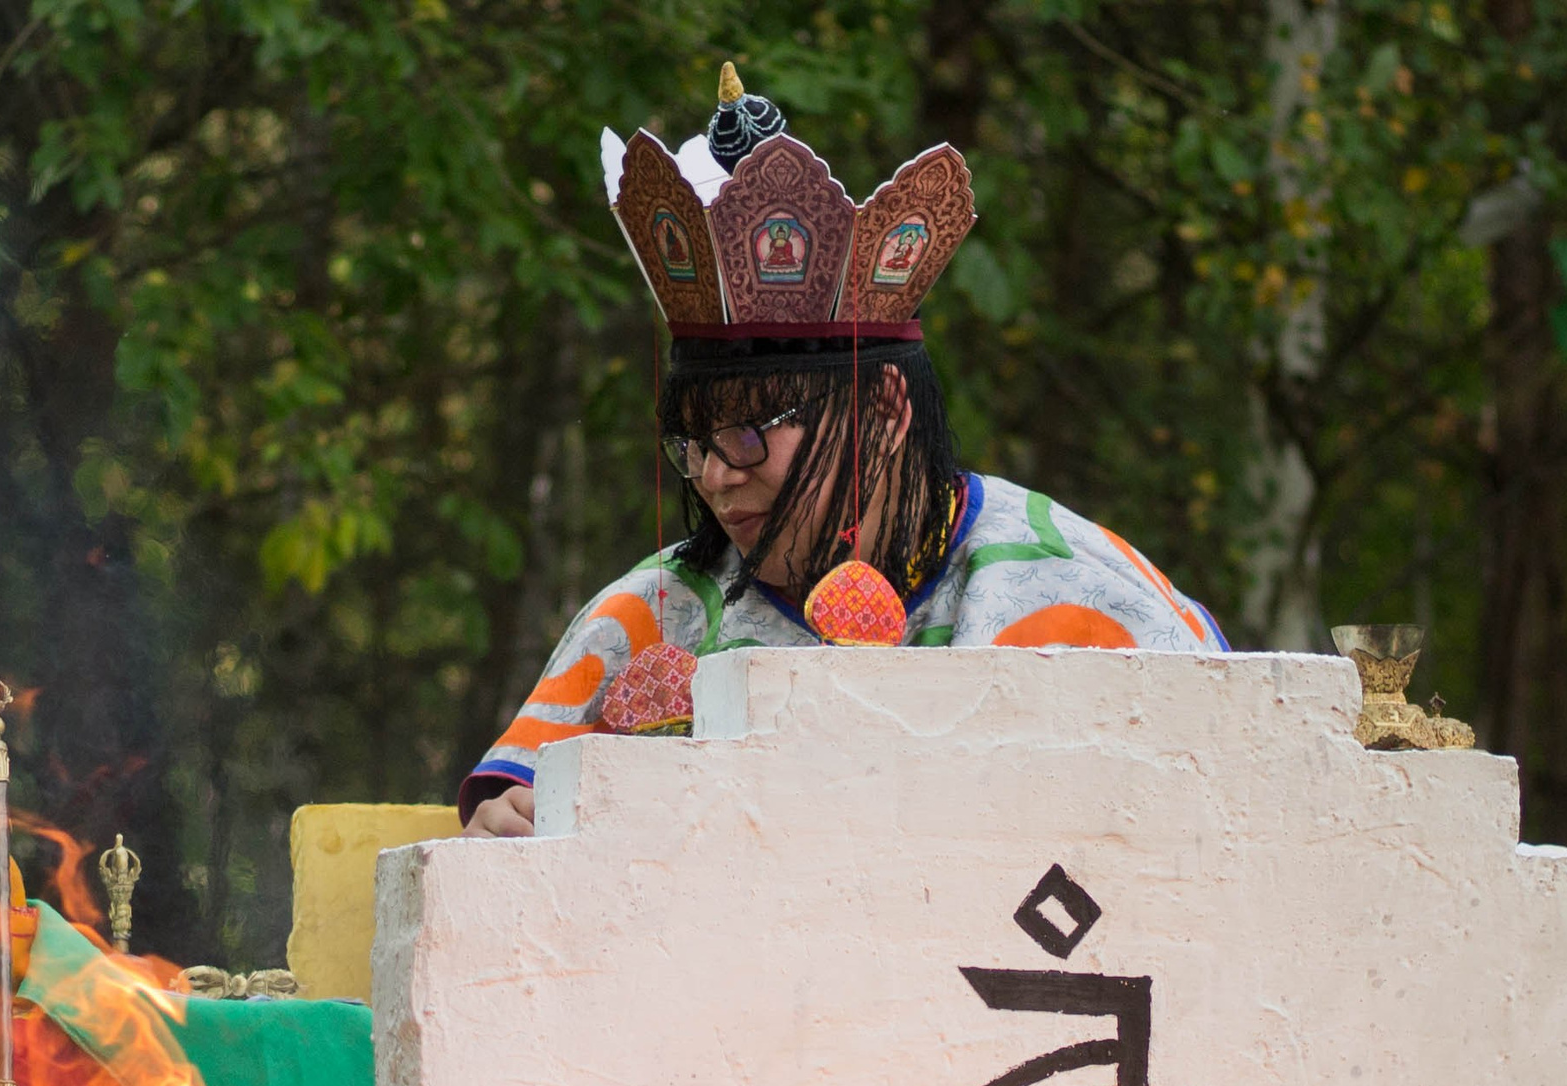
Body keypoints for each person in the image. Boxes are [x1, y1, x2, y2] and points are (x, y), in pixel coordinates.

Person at [460, 70, 1227, 838]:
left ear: (885, 412)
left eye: (749, 431)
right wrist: (504, 829)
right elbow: (501, 836)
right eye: (694, 444)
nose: (717, 475)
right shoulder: (647, 616)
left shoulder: (1075, 588)